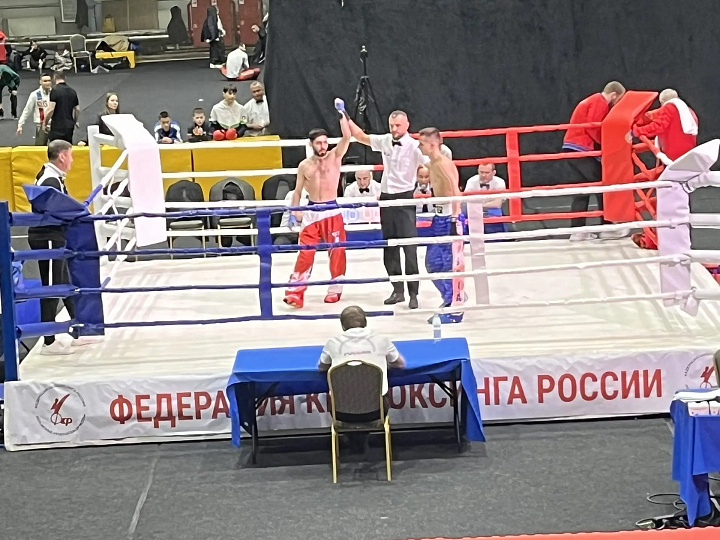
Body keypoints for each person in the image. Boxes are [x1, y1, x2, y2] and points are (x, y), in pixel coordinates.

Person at [349, 110, 424, 309]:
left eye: (398, 125)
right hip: (386, 198)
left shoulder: (415, 146)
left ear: (407, 125)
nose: (394, 129)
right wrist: (344, 116)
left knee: (409, 247)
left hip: (405, 198)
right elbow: (360, 136)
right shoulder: (385, 140)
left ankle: (413, 293)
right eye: (391, 125)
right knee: (389, 246)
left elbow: (431, 164)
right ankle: (397, 290)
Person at [284, 100, 351, 308]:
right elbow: (297, 191)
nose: (323, 146)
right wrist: (293, 212)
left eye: (325, 142)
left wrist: (342, 115)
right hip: (312, 211)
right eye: (319, 143)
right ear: (311, 144)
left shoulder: (335, 156)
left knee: (337, 251)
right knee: (305, 253)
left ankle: (335, 289)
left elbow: (347, 137)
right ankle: (295, 292)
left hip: (332, 210)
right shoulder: (304, 166)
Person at [27, 141, 90, 354]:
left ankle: (81, 330)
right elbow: (52, 210)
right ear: (62, 156)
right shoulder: (50, 179)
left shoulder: (52, 176)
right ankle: (49, 341)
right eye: (70, 155)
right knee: (53, 287)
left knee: (64, 283)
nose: (72, 160)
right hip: (48, 237)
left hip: (53, 236)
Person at [629, 88, 698, 250]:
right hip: (685, 158)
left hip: (672, 159)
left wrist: (636, 131)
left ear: (662, 103)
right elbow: (657, 118)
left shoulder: (670, 108)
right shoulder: (687, 111)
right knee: (678, 199)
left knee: (666, 197)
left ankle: (657, 238)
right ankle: (670, 236)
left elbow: (658, 126)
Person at [563, 81, 625, 241]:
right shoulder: (600, 102)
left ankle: (578, 231)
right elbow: (593, 127)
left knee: (582, 190)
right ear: (614, 95)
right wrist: (606, 144)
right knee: (603, 185)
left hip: (573, 147)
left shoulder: (590, 100)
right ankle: (607, 227)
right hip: (582, 148)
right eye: (618, 100)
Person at [418, 127, 464, 323]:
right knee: (433, 263)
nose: (419, 146)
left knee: (446, 264)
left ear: (432, 144)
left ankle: (454, 309)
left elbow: (455, 191)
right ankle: (453, 297)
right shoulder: (433, 164)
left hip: (448, 218)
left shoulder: (443, 164)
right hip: (439, 217)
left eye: (422, 143)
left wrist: (454, 219)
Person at [318, 306, 405, 404]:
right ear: (365, 322)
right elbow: (399, 363)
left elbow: (322, 367)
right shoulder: (382, 339)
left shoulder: (332, 343)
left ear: (343, 326)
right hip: (376, 407)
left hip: (341, 407)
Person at [463, 162, 507, 233]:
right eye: (481, 172)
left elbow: (497, 204)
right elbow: (466, 200)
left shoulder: (499, 182)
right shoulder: (471, 181)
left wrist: (479, 206)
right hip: (473, 210)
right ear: (478, 171)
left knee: (495, 221)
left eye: (487, 173)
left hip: (490, 210)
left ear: (493, 173)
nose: (483, 175)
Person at [43, 71, 79, 144]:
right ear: (65, 78)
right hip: (69, 126)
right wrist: (75, 121)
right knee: (67, 146)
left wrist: (45, 123)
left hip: (57, 126)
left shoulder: (55, 90)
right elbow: (77, 109)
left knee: (56, 147)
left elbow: (51, 109)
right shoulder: (72, 91)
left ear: (54, 78)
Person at [17, 71, 52, 145]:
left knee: (57, 148)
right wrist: (20, 124)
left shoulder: (55, 93)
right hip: (41, 125)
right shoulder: (35, 94)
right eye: (45, 81)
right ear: (40, 82)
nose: (47, 83)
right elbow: (27, 110)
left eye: (49, 80)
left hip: (54, 125)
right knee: (40, 147)